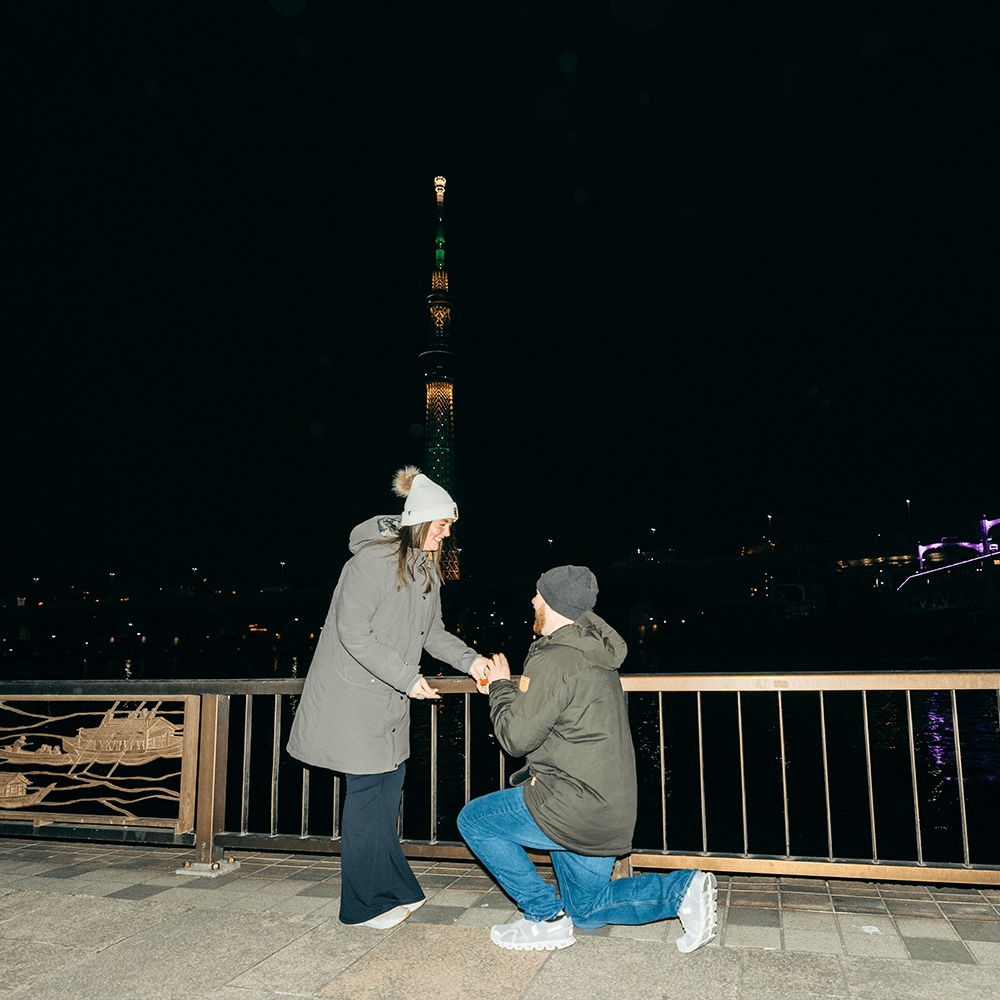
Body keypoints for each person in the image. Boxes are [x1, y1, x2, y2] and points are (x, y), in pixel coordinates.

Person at [457, 565, 718, 953]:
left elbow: (515, 738)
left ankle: (543, 916)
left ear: (554, 604)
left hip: (571, 803)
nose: (532, 600)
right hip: (608, 805)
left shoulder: (556, 659)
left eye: (538, 595)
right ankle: (681, 889)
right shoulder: (594, 653)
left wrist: (498, 688)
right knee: (588, 910)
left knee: (475, 821)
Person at [287, 466, 489, 929]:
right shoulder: (370, 563)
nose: (446, 534)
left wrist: (471, 661)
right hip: (353, 701)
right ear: (419, 520)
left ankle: (395, 889)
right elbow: (352, 632)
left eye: (449, 527)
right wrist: (406, 677)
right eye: (442, 525)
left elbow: (432, 633)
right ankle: (360, 907)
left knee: (385, 796)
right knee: (365, 798)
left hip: (388, 702)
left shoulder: (426, 570)